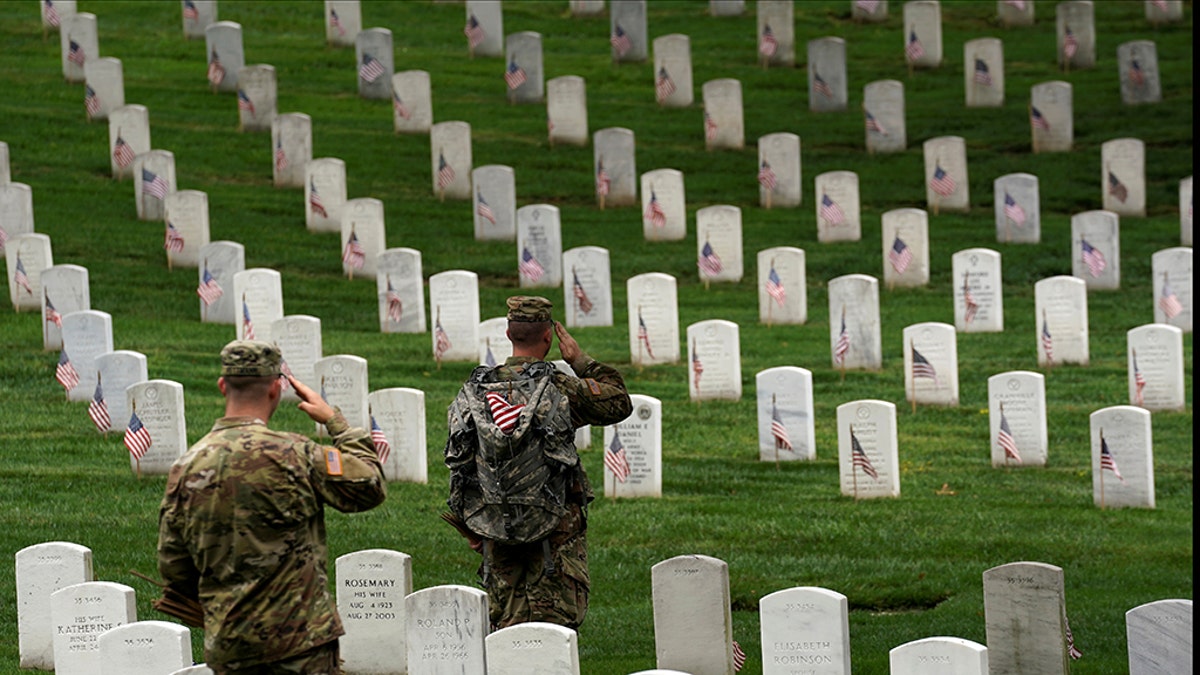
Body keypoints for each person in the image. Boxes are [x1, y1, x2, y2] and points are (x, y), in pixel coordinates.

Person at [157, 340, 387, 674]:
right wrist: (335, 422)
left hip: (231, 643)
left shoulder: (186, 467)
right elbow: (370, 485)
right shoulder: (297, 454)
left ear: (223, 386)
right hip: (299, 645)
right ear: (276, 389)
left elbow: (174, 566)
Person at [445, 295, 632, 630]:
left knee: (507, 629)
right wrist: (580, 360)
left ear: (507, 333)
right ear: (548, 336)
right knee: (552, 631)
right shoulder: (558, 387)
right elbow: (618, 402)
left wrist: (471, 524)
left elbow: (461, 465)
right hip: (554, 532)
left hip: (496, 527)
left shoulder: (474, 392)